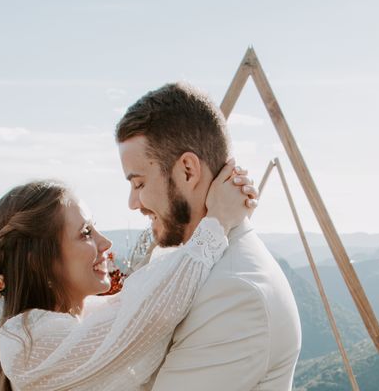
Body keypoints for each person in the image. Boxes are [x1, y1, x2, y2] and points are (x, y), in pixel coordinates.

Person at [0, 162, 256, 390]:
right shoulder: (24, 341)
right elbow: (151, 316)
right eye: (85, 233)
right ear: (39, 262)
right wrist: (218, 221)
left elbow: (151, 294)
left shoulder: (92, 315)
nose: (105, 243)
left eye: (96, 228)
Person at [116, 82, 302, 391]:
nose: (133, 203)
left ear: (188, 170)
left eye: (138, 184)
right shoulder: (190, 259)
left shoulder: (235, 292)